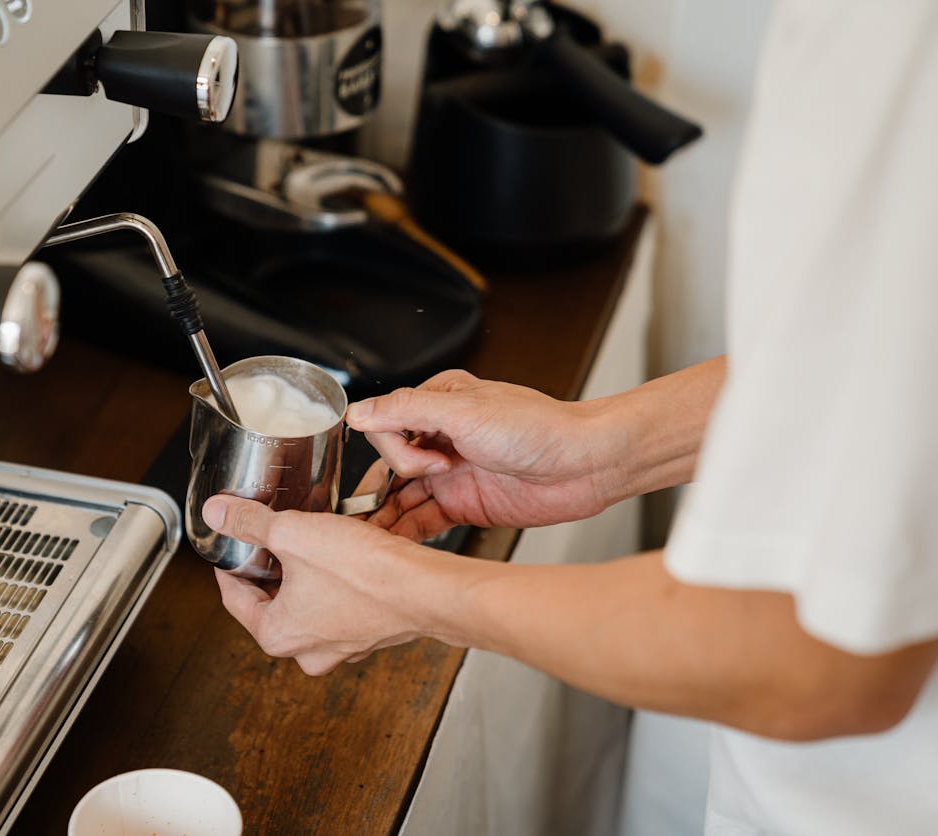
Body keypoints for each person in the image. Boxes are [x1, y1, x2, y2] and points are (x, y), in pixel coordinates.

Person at [203, 1, 938, 833]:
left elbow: (823, 658)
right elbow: (889, 363)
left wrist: (411, 593)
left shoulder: (899, 43)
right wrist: (601, 449)